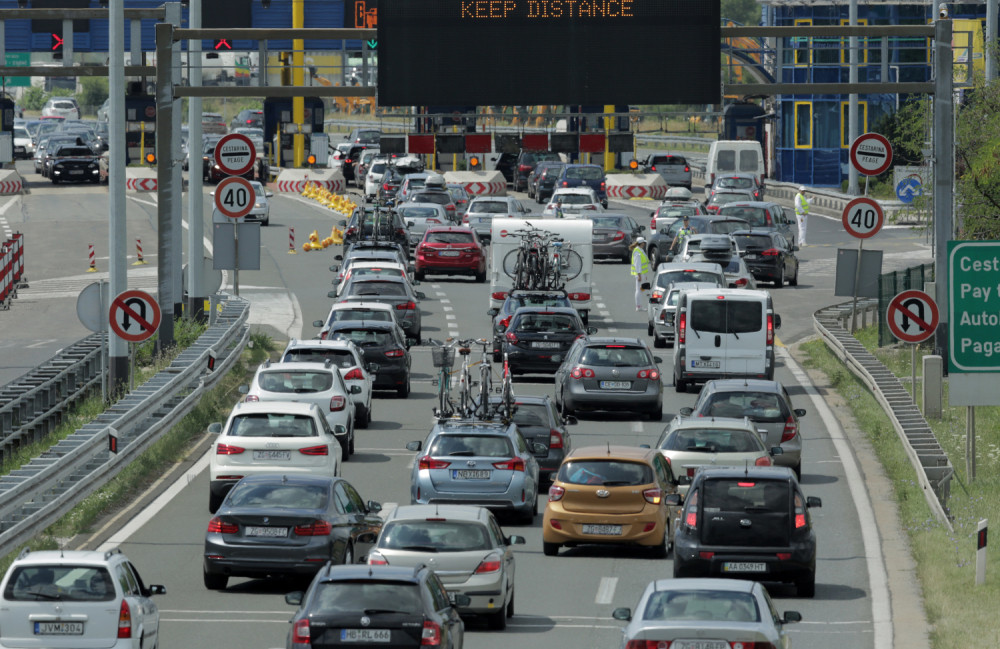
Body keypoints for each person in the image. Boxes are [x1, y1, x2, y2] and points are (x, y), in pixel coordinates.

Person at [630, 237, 651, 311]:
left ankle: (639, 306)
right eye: (644, 242)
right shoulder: (637, 252)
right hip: (639, 274)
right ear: (641, 243)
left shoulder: (640, 250)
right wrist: (639, 276)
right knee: (639, 290)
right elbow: (637, 264)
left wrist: (644, 276)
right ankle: (638, 306)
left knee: (641, 289)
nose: (644, 244)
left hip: (642, 273)